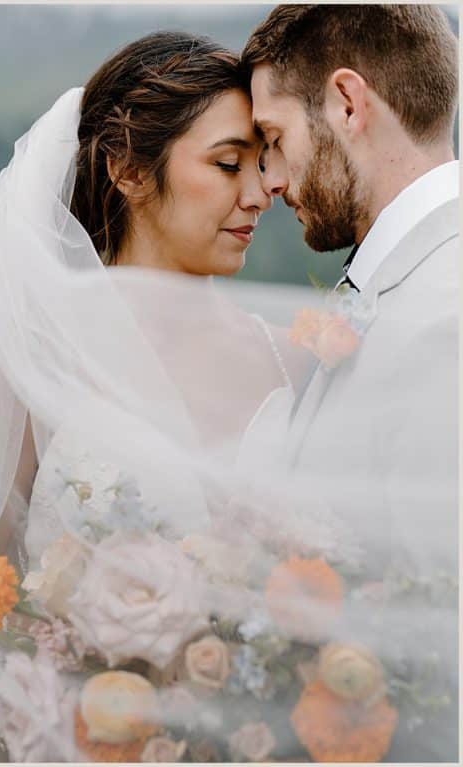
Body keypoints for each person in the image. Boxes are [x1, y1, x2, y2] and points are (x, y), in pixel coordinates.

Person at [0, 19, 456, 763]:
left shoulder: (294, 359)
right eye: (228, 164)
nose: (262, 192)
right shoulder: (33, 351)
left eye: (265, 158)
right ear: (125, 168)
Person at [243, 5, 458, 760]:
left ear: (346, 103)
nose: (270, 179)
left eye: (274, 140)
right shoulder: (396, 290)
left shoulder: (447, 317)